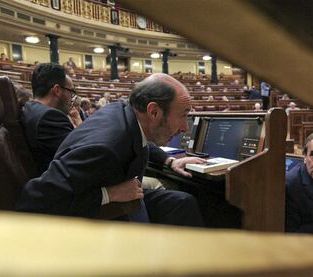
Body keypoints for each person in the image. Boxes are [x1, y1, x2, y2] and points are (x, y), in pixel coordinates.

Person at [16, 73, 206, 227]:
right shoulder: (104, 149)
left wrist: (170, 161)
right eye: (183, 116)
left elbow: (142, 141)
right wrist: (110, 194)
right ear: (153, 112)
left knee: (182, 203)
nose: (185, 128)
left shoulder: (124, 111)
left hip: (121, 195)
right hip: (95, 215)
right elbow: (34, 200)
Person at [20, 63, 75, 176]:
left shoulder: (29, 108)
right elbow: (81, 155)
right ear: (57, 90)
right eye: (71, 92)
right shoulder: (50, 117)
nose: (72, 98)